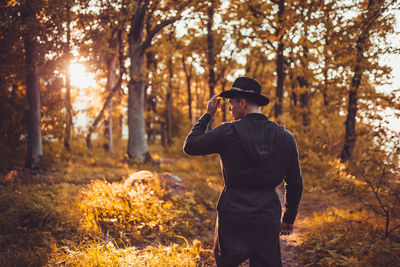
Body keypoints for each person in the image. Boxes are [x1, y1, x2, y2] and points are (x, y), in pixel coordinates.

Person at [183, 77, 303, 267]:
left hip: (232, 213)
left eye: (231, 103)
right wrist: (288, 219)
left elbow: (190, 146)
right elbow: (295, 183)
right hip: (267, 214)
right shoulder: (285, 137)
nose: (229, 108)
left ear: (243, 103)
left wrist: (207, 115)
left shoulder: (227, 132)